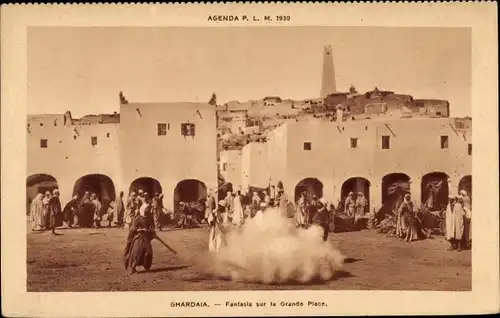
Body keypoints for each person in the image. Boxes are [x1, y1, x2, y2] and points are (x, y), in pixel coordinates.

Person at [123, 195, 156, 274]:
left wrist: (152, 232)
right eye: (148, 209)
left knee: (148, 253)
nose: (149, 210)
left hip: (146, 238)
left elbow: (151, 227)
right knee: (137, 253)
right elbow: (133, 229)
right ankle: (133, 268)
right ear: (143, 210)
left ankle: (146, 267)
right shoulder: (137, 218)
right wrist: (141, 229)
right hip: (139, 238)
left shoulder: (149, 218)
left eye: (149, 209)